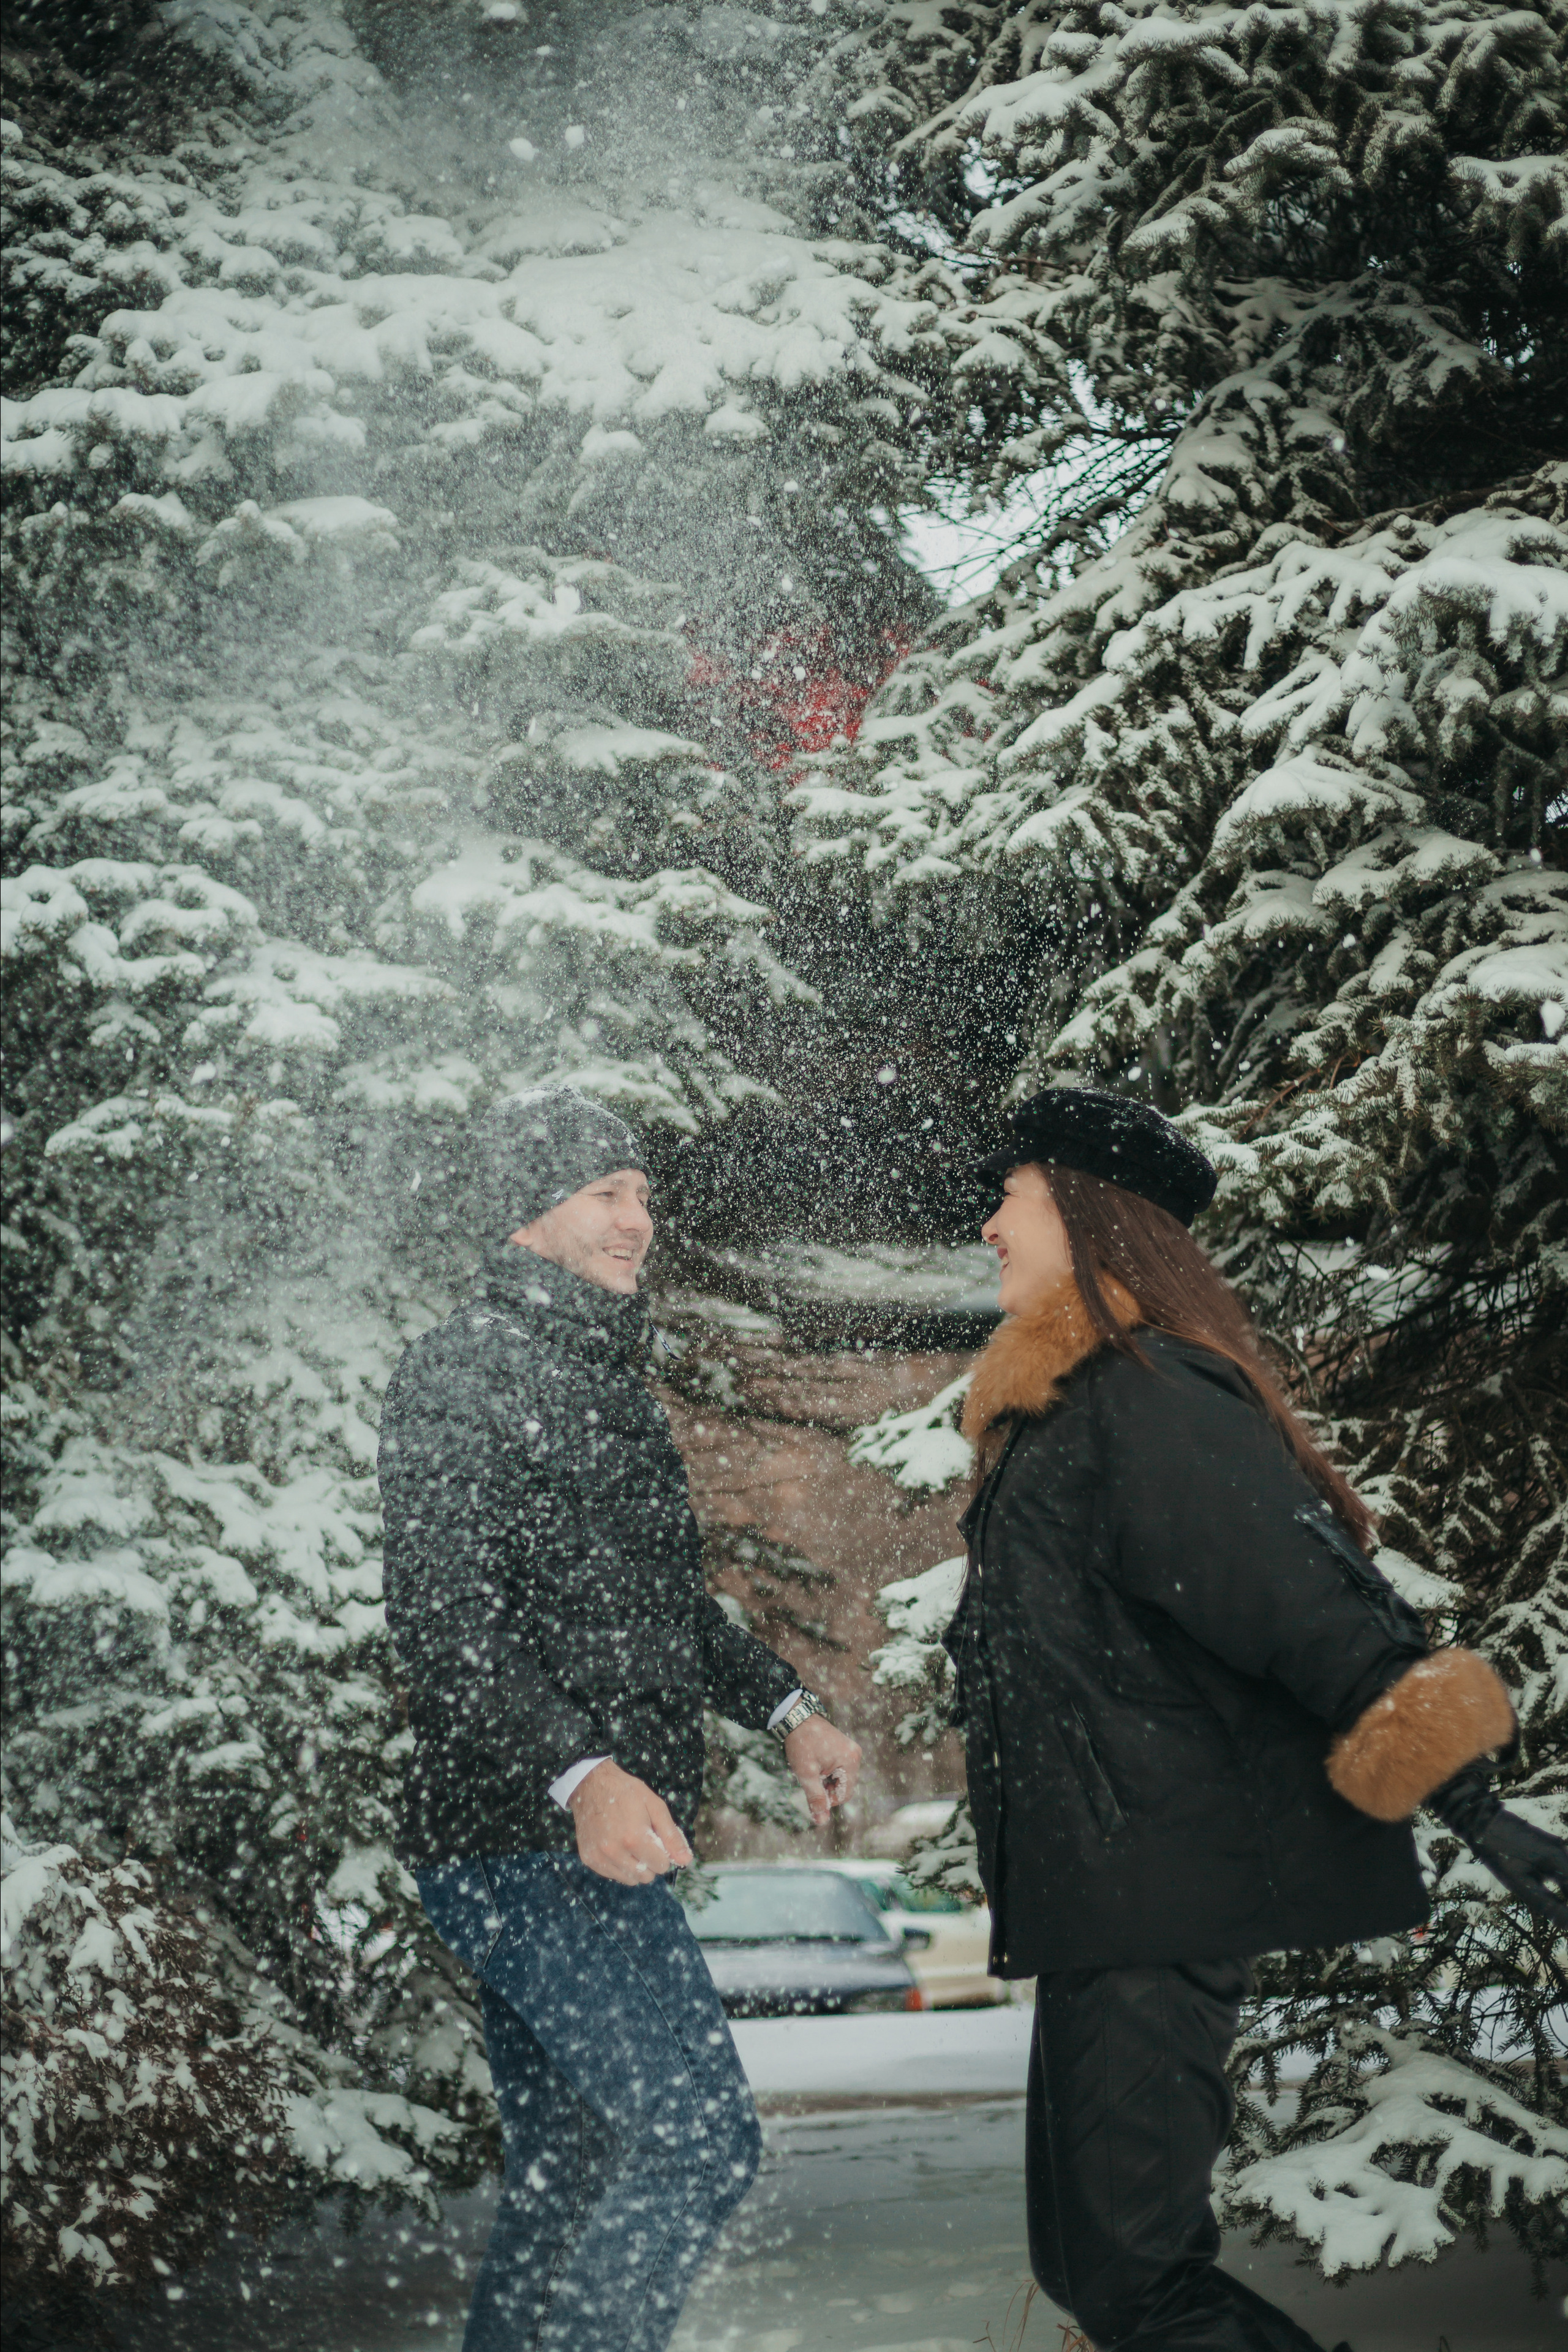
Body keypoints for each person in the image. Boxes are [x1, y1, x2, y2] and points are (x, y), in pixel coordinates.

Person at [948, 1086, 1568, 2352]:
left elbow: (1302, 1601)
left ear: (1081, 1212)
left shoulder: (1141, 1397)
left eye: (1006, 1198)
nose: (985, 1228)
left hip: (1155, 1885)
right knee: (1090, 2272)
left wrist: (1466, 1798)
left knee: (1134, 2283)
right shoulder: (1063, 1411)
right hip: (1098, 1894)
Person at [379, 1085, 861, 2352]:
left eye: (643, 1192)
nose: (638, 1218)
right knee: (697, 2139)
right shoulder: (459, 1374)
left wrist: (789, 1708)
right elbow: (447, 1630)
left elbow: (668, 1612)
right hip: (524, 1844)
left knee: (572, 2179)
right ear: (531, 1214)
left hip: (560, 1849)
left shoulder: (606, 1385)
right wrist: (580, 1774)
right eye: (608, 1191)